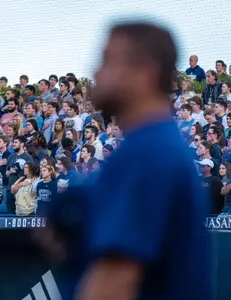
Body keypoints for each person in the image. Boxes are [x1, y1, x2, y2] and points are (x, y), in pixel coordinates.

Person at [42, 22, 210, 300]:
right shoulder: (155, 144)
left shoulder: (147, 152)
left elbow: (115, 283)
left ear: (146, 71)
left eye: (108, 61)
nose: (96, 72)